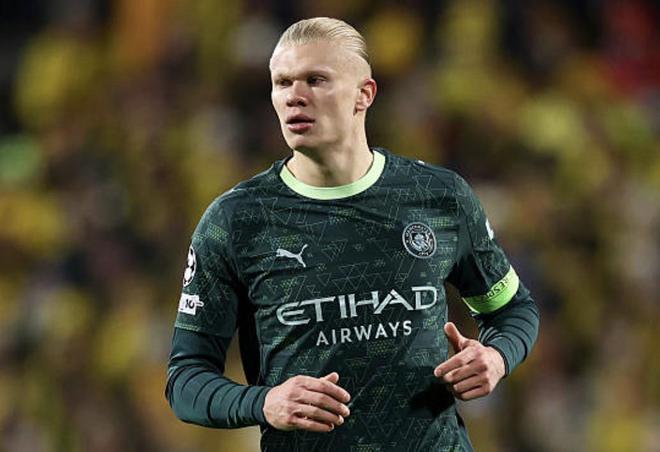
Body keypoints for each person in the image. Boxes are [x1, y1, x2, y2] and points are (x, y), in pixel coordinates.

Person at [166, 17, 540, 451]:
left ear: (365, 94)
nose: (294, 96)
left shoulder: (438, 197)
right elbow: (186, 378)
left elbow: (511, 309)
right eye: (282, 82)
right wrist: (264, 402)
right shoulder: (236, 221)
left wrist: (496, 356)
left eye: (315, 80)